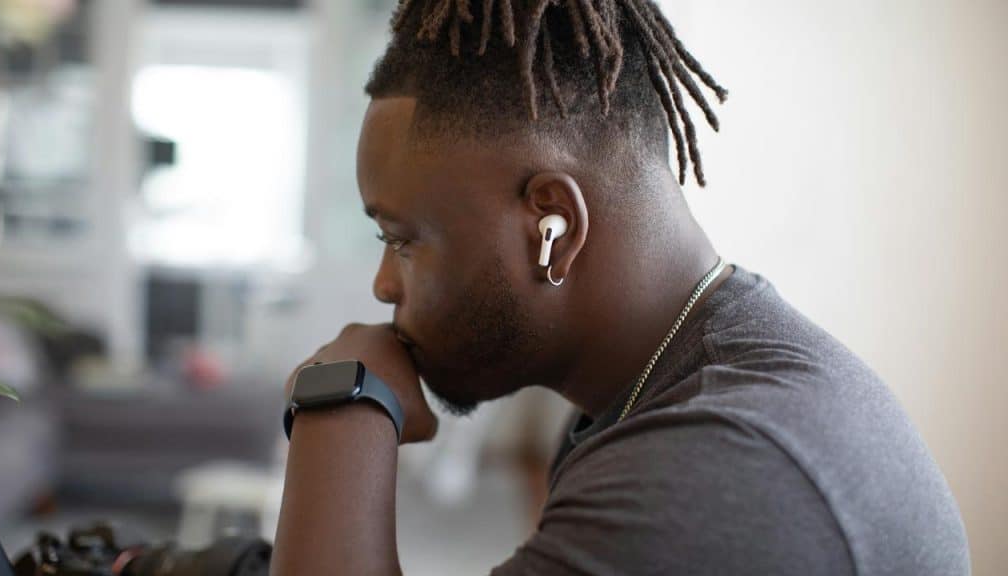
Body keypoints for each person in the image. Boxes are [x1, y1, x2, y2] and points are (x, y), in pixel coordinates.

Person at [271, 1, 969, 574]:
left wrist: (344, 403)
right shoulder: (665, 394)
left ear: (553, 225)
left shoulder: (725, 470)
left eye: (402, 238)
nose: (384, 283)